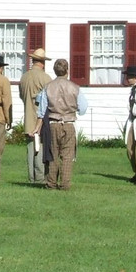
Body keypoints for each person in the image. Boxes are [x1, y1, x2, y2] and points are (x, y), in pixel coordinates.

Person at [38, 58, 88, 190]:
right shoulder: (75, 87)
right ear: (67, 70)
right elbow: (83, 108)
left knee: (53, 153)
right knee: (67, 155)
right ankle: (65, 184)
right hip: (69, 123)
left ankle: (51, 183)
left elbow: (42, 109)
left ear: (55, 71)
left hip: (53, 123)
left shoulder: (48, 87)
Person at [19, 47, 51, 184]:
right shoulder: (45, 78)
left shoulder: (24, 77)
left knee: (31, 148)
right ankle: (39, 177)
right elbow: (51, 98)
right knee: (40, 148)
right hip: (41, 118)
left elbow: (21, 95)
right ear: (43, 62)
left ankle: (31, 177)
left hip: (28, 115)